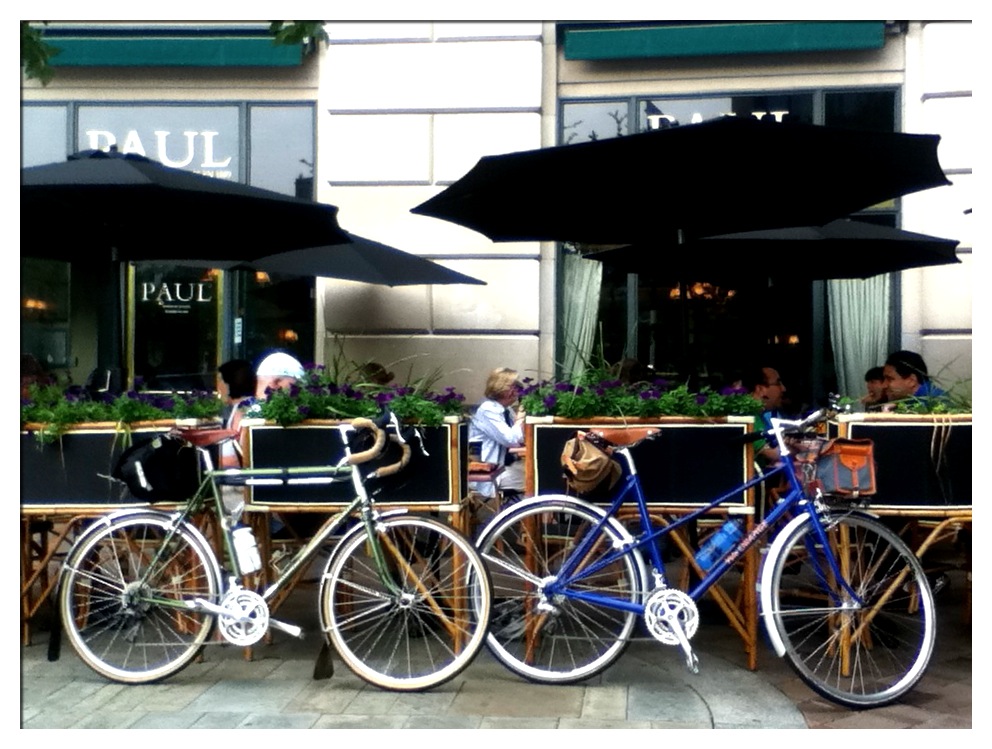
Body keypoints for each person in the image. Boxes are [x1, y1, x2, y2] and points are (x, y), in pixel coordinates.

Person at [468, 367, 526, 500]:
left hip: (503, 466)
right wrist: (520, 418)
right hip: (487, 472)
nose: (520, 390)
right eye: (517, 386)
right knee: (537, 478)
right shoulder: (488, 410)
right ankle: (521, 511)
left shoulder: (506, 410)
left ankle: (520, 509)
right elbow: (512, 440)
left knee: (538, 472)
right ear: (507, 390)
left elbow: (519, 439)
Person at [739, 365, 788, 464]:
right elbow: (774, 454)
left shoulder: (762, 415)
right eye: (778, 383)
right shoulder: (747, 416)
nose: (783, 389)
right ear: (760, 389)